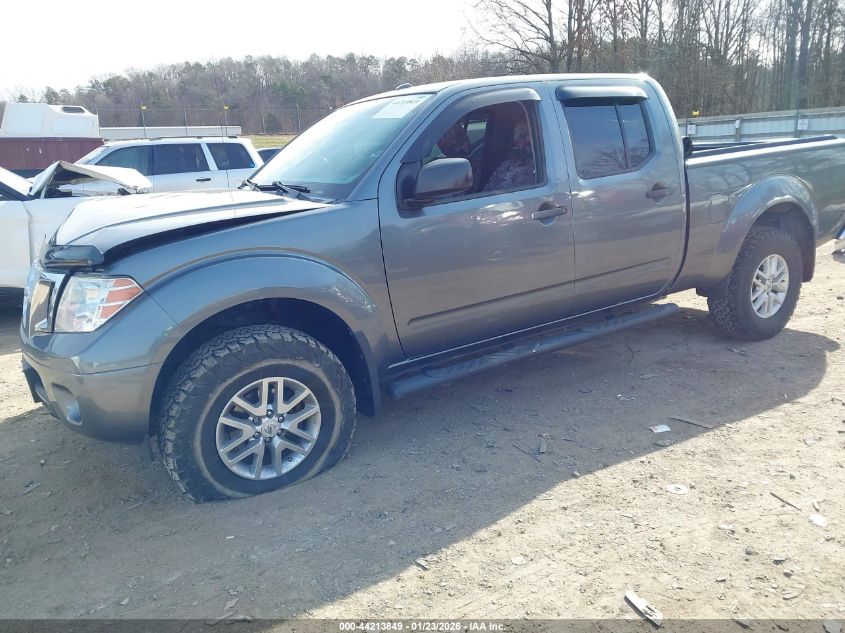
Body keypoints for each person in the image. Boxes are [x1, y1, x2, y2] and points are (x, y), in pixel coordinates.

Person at [482, 120, 536, 192]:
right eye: (518, 136)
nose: (521, 143)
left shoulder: (538, 168)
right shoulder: (505, 165)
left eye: (524, 136)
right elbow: (487, 191)